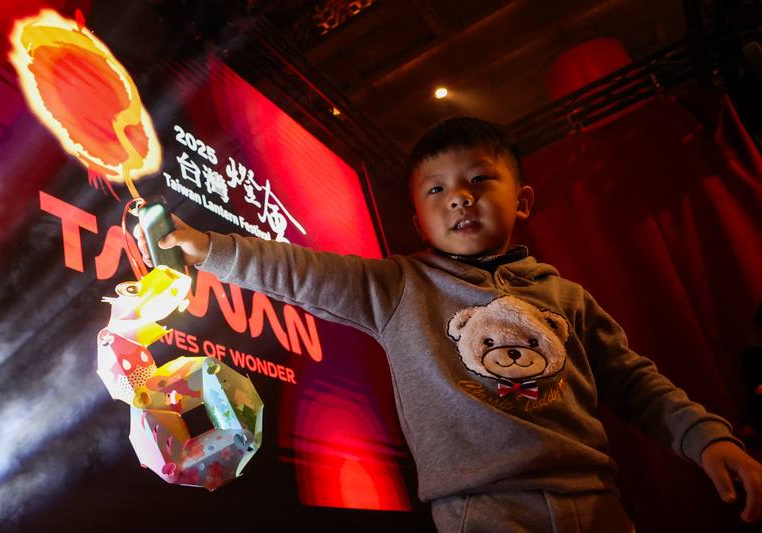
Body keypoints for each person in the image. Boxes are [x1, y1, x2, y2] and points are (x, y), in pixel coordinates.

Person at [135, 117, 762, 531]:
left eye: (479, 179)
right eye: (436, 190)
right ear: (418, 219)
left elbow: (633, 382)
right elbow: (298, 270)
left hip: (598, 504)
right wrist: (202, 246)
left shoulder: (566, 296)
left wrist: (708, 438)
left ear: (522, 200)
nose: (459, 196)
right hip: (480, 512)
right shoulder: (397, 286)